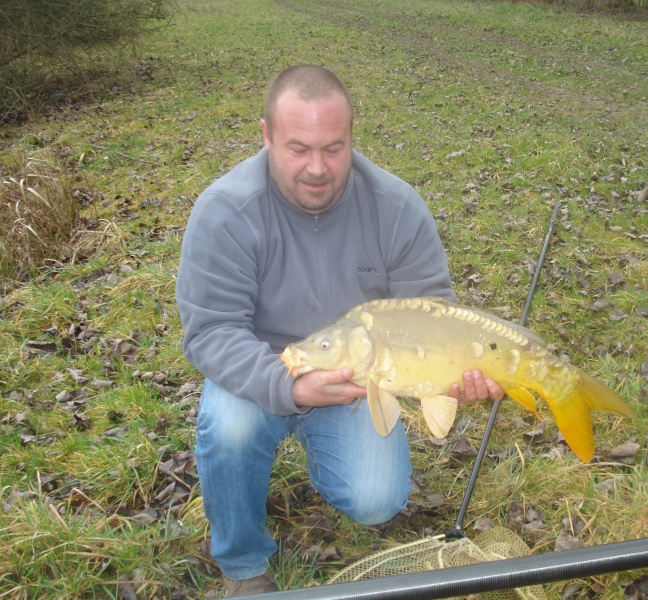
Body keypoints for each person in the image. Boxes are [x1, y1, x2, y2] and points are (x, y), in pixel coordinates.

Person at [175, 64, 505, 597]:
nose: (317, 168)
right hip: (265, 369)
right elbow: (211, 331)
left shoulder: (395, 207)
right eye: (298, 148)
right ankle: (243, 565)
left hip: (360, 383)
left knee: (377, 500)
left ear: (352, 136)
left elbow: (434, 314)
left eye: (333, 148)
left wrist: (453, 374)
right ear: (266, 136)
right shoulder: (226, 211)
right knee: (231, 428)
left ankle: (322, 447)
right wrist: (289, 387)